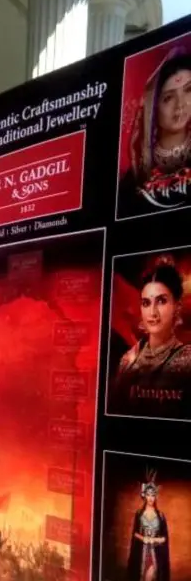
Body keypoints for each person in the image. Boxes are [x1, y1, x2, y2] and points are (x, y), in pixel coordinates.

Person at [110, 255, 191, 418]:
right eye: (146, 303)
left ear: (177, 306)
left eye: (161, 301)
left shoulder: (188, 360)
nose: (152, 312)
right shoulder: (128, 360)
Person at [118, 48, 191, 217]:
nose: (181, 105)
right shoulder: (135, 178)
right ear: (152, 110)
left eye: (188, 90)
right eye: (168, 98)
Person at [127, 472, 170, 581]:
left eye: (153, 495)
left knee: (149, 577)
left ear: (156, 496)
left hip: (156, 554)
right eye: (148, 495)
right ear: (144, 495)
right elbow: (135, 534)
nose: (151, 498)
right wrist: (144, 538)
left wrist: (154, 540)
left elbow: (164, 538)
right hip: (142, 553)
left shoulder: (161, 516)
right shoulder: (139, 514)